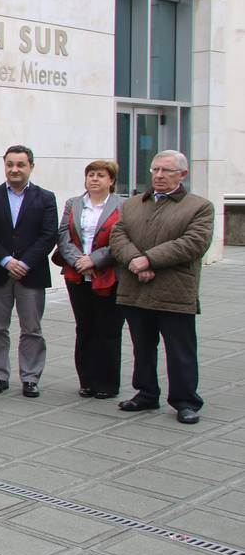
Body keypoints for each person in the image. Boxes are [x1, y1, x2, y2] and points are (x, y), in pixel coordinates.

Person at [110, 150, 214, 425]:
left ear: (183, 175)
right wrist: (134, 260)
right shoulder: (132, 204)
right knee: (142, 347)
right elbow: (118, 235)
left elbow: (194, 243)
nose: (158, 175)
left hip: (174, 292)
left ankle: (185, 401)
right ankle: (146, 393)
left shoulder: (199, 206)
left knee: (180, 350)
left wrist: (149, 259)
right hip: (135, 289)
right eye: (155, 169)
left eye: (166, 171)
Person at [0, 145, 58, 398]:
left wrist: (24, 262)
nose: (14, 169)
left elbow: (48, 236)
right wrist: (4, 259)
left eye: (20, 164)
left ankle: (30, 377)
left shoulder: (46, 198)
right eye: (10, 164)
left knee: (32, 329)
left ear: (31, 167)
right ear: (4, 165)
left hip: (31, 273)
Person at [56, 159, 125, 400]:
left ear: (111, 181)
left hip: (109, 274)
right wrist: (78, 260)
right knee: (84, 327)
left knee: (108, 330)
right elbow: (64, 235)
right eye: (91, 175)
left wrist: (95, 260)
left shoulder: (123, 206)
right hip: (77, 275)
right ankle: (87, 380)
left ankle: (107, 382)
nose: (95, 179)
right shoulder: (74, 204)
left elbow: (122, 239)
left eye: (101, 175)